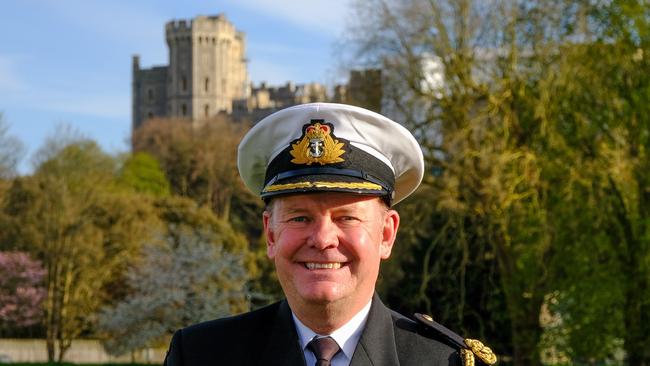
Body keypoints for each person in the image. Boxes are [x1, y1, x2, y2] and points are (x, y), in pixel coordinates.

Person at [163, 103, 496, 366]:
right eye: (300, 218)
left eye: (347, 217)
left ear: (386, 234)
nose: (322, 239)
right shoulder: (200, 355)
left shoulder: (444, 361)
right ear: (270, 235)